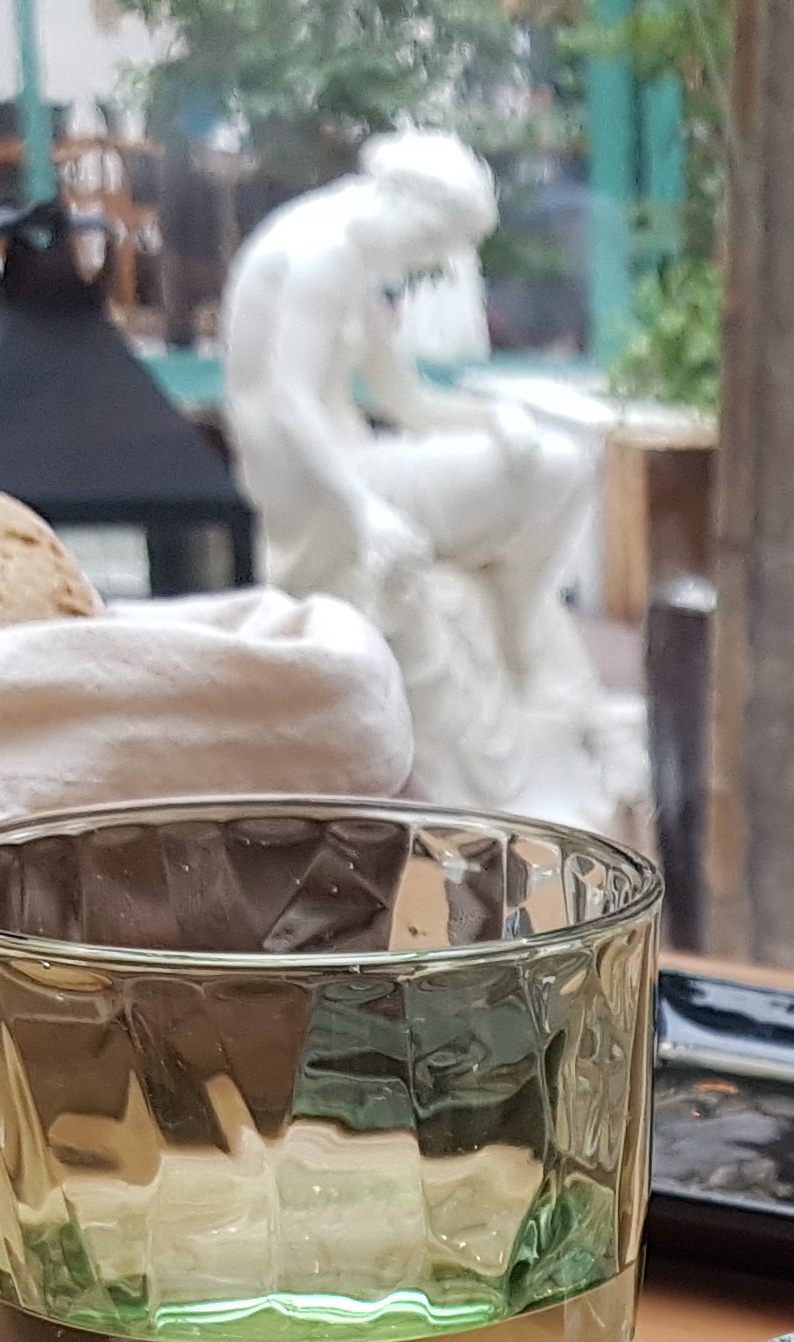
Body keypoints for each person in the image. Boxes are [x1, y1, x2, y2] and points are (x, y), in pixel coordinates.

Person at [221, 129, 645, 834]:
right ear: (401, 199)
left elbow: (407, 401)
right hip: (327, 503)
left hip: (355, 471)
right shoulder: (324, 253)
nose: (431, 259)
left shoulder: (350, 255)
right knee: (558, 468)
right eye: (433, 239)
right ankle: (520, 616)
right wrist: (365, 514)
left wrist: (493, 418)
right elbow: (290, 399)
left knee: (552, 457)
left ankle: (520, 609)